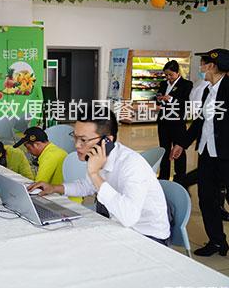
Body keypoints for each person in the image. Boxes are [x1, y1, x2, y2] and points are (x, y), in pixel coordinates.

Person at [28, 108, 170, 245]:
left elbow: (129, 217)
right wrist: (54, 188)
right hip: (116, 223)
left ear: (106, 140)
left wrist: (95, 174)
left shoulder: (131, 166)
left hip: (147, 236)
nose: (77, 145)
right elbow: (87, 186)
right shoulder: (99, 156)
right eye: (75, 137)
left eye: (83, 140)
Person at [171, 49, 229, 256]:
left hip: (226, 156)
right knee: (207, 199)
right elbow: (200, 122)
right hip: (207, 154)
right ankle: (217, 242)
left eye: (202, 63)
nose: (200, 67)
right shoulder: (207, 90)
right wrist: (182, 144)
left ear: (211, 66)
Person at [156, 60, 192, 181]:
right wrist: (160, 99)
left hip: (177, 122)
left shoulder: (186, 84)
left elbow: (186, 102)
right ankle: (163, 176)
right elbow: (157, 99)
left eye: (170, 75)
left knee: (178, 150)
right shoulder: (163, 84)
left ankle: (180, 177)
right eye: (166, 75)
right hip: (163, 122)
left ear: (177, 73)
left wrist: (171, 99)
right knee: (164, 149)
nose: (168, 77)